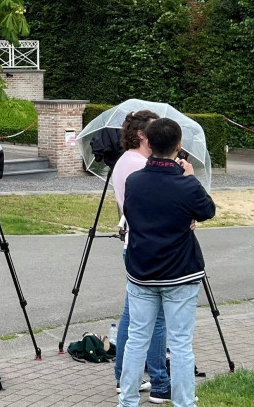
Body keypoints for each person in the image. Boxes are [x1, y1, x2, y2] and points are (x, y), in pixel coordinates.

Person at [118, 118, 216, 407]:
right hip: (180, 272)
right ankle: (185, 402)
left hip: (141, 270)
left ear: (148, 142)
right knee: (181, 343)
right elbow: (207, 209)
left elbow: (133, 215)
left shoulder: (134, 181)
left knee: (137, 338)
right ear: (179, 146)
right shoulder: (185, 185)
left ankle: (128, 401)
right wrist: (189, 178)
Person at [109, 110, 169, 399]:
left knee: (132, 314)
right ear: (144, 135)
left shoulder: (127, 161)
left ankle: (124, 376)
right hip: (147, 244)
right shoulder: (137, 164)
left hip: (134, 241)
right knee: (155, 317)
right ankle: (159, 382)